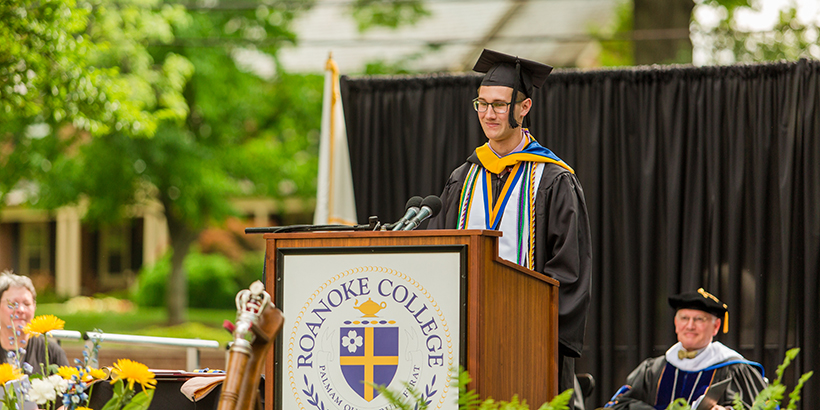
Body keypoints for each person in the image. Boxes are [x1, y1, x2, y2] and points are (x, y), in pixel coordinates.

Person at [427, 49, 592, 409]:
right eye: (482, 104)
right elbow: (438, 252)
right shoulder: (464, 177)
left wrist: (534, 328)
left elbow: (570, 268)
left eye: (500, 105)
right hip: (464, 339)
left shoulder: (552, 179)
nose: (489, 114)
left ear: (524, 107)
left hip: (528, 343)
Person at [602, 289, 767, 410]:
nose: (690, 326)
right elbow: (619, 404)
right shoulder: (653, 369)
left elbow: (761, 406)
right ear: (676, 323)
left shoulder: (735, 368)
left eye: (699, 319)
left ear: (716, 326)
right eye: (684, 318)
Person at [0, 270, 70, 375]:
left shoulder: (51, 353)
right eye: (13, 304)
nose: (21, 310)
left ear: (34, 307)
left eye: (26, 303)